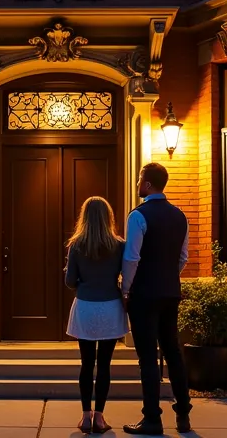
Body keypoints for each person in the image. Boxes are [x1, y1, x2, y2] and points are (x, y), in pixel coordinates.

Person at [121, 162, 191, 435]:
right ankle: (183, 414)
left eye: (139, 179)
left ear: (147, 184)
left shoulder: (138, 216)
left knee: (148, 357)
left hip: (144, 295)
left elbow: (131, 257)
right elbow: (183, 257)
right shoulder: (180, 216)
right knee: (173, 352)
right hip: (170, 293)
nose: (138, 183)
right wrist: (167, 276)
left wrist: (126, 289)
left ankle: (152, 418)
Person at [64, 196, 128, 434]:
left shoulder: (77, 245)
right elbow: (127, 274)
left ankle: (85, 417)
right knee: (104, 365)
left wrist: (80, 278)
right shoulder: (119, 245)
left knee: (86, 363)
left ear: (84, 217)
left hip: (86, 307)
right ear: (107, 217)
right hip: (110, 305)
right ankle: (100, 416)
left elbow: (70, 281)